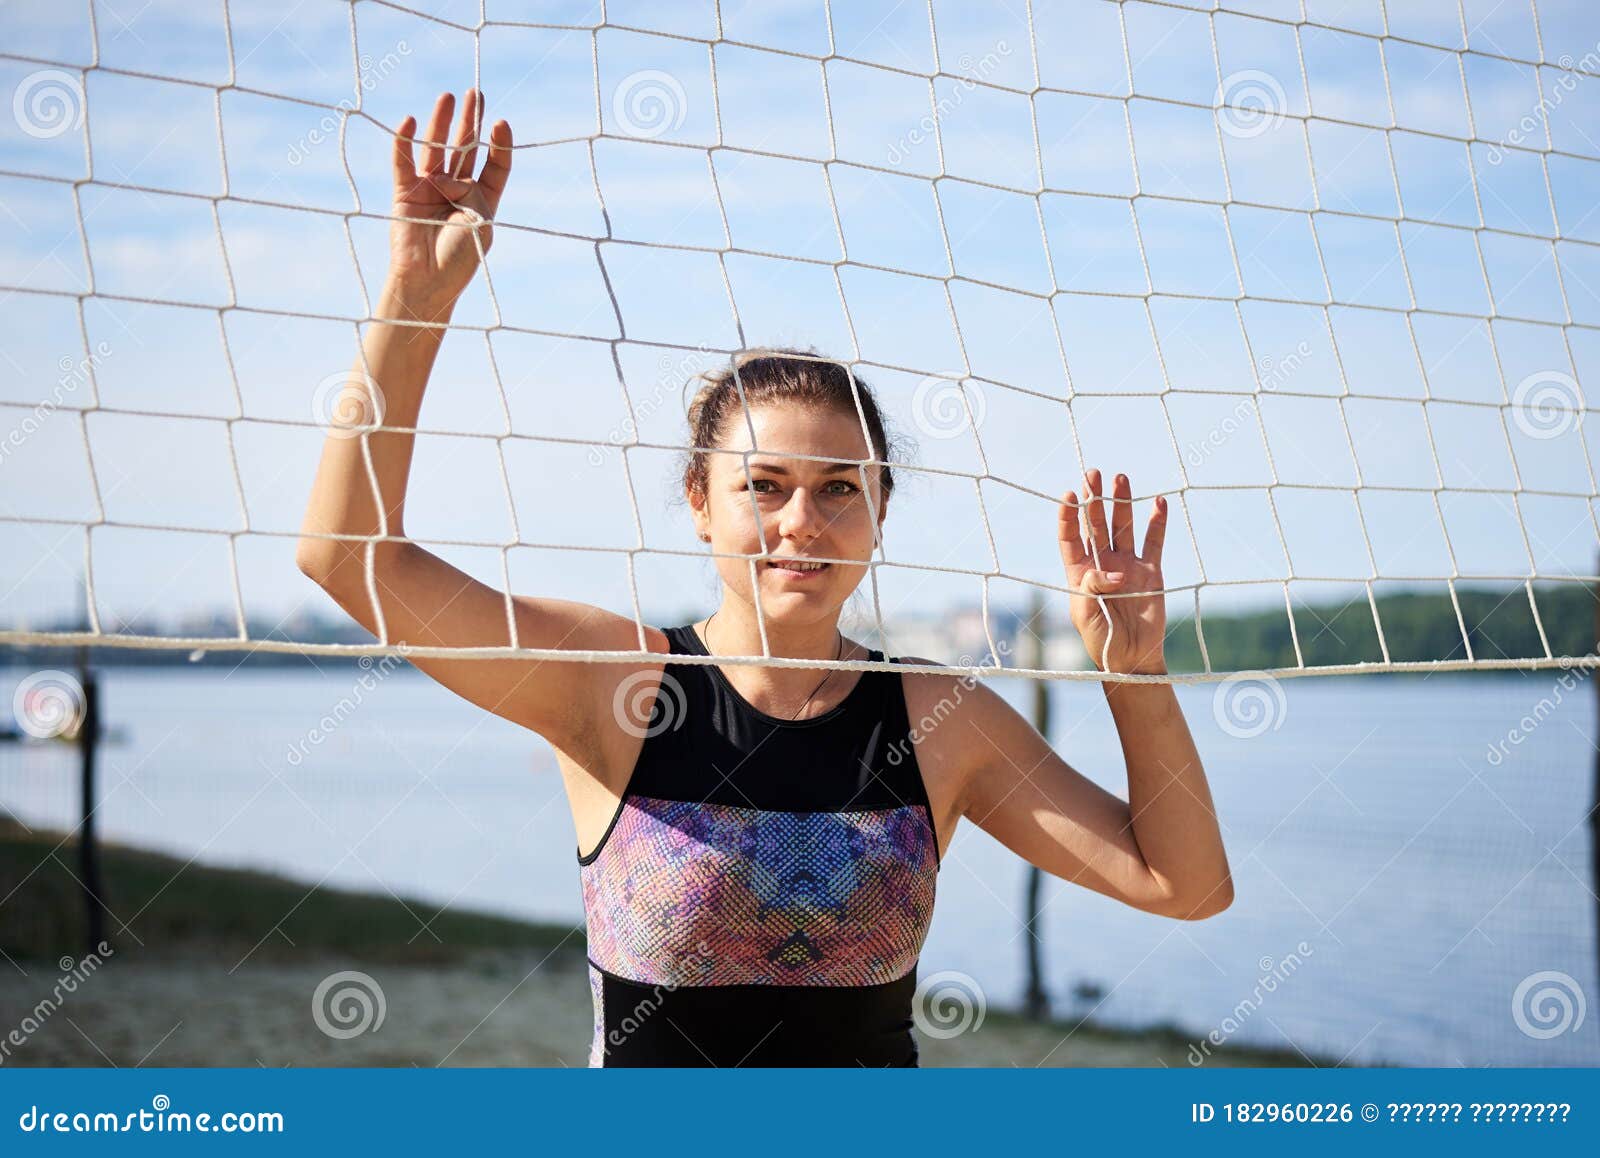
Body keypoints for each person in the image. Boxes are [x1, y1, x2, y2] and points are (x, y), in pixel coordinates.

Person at [295, 89, 1233, 1068]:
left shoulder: (935, 716)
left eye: (839, 488)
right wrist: (415, 294)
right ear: (699, 500)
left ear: (878, 511)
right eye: (764, 486)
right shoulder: (613, 680)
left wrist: (1134, 674)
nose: (801, 522)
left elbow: (1186, 886)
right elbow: (346, 555)